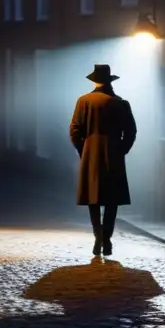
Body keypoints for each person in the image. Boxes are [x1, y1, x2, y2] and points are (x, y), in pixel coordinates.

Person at [69, 64, 138, 256]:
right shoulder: (121, 103)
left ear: (94, 81)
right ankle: (106, 238)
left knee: (93, 198)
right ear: (110, 81)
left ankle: (97, 236)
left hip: (91, 155)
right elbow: (131, 132)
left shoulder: (83, 101)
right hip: (113, 155)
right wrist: (122, 150)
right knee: (111, 199)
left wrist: (84, 150)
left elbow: (75, 130)